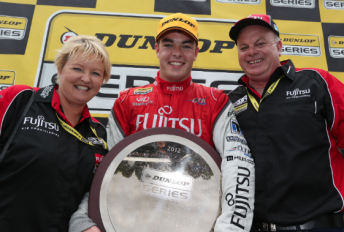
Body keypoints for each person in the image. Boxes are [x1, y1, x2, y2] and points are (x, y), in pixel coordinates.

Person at [70, 13, 255, 232]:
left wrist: (232, 228)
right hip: (133, 219)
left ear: (196, 52)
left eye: (186, 46)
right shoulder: (129, 101)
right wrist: (83, 218)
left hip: (198, 221)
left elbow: (238, 165)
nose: (177, 53)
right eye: (168, 44)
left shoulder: (215, 101)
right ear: (157, 48)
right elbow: (104, 168)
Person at [228, 14, 344, 231]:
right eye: (243, 47)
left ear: (279, 46)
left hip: (319, 224)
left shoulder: (316, 82)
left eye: (260, 43)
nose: (251, 51)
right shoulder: (231, 102)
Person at [0, 35, 111, 232]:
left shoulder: (99, 136)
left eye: (95, 73)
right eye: (77, 68)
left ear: (102, 80)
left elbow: (89, 199)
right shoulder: (20, 100)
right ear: (60, 69)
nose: (86, 78)